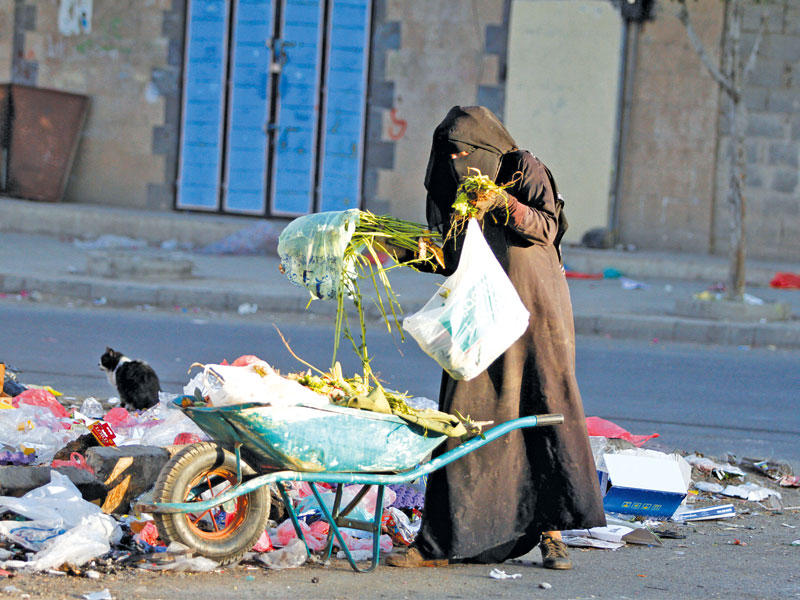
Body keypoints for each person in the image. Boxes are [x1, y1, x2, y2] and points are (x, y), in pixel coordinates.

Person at [386, 106, 605, 569]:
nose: (460, 163)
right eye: (452, 156)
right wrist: (389, 246)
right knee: (464, 419)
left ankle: (551, 534)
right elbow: (446, 254)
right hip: (480, 317)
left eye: (468, 153)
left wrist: (502, 205)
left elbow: (547, 226)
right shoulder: (455, 188)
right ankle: (439, 542)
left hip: (536, 315)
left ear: (487, 149)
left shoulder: (523, 168)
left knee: (541, 416)